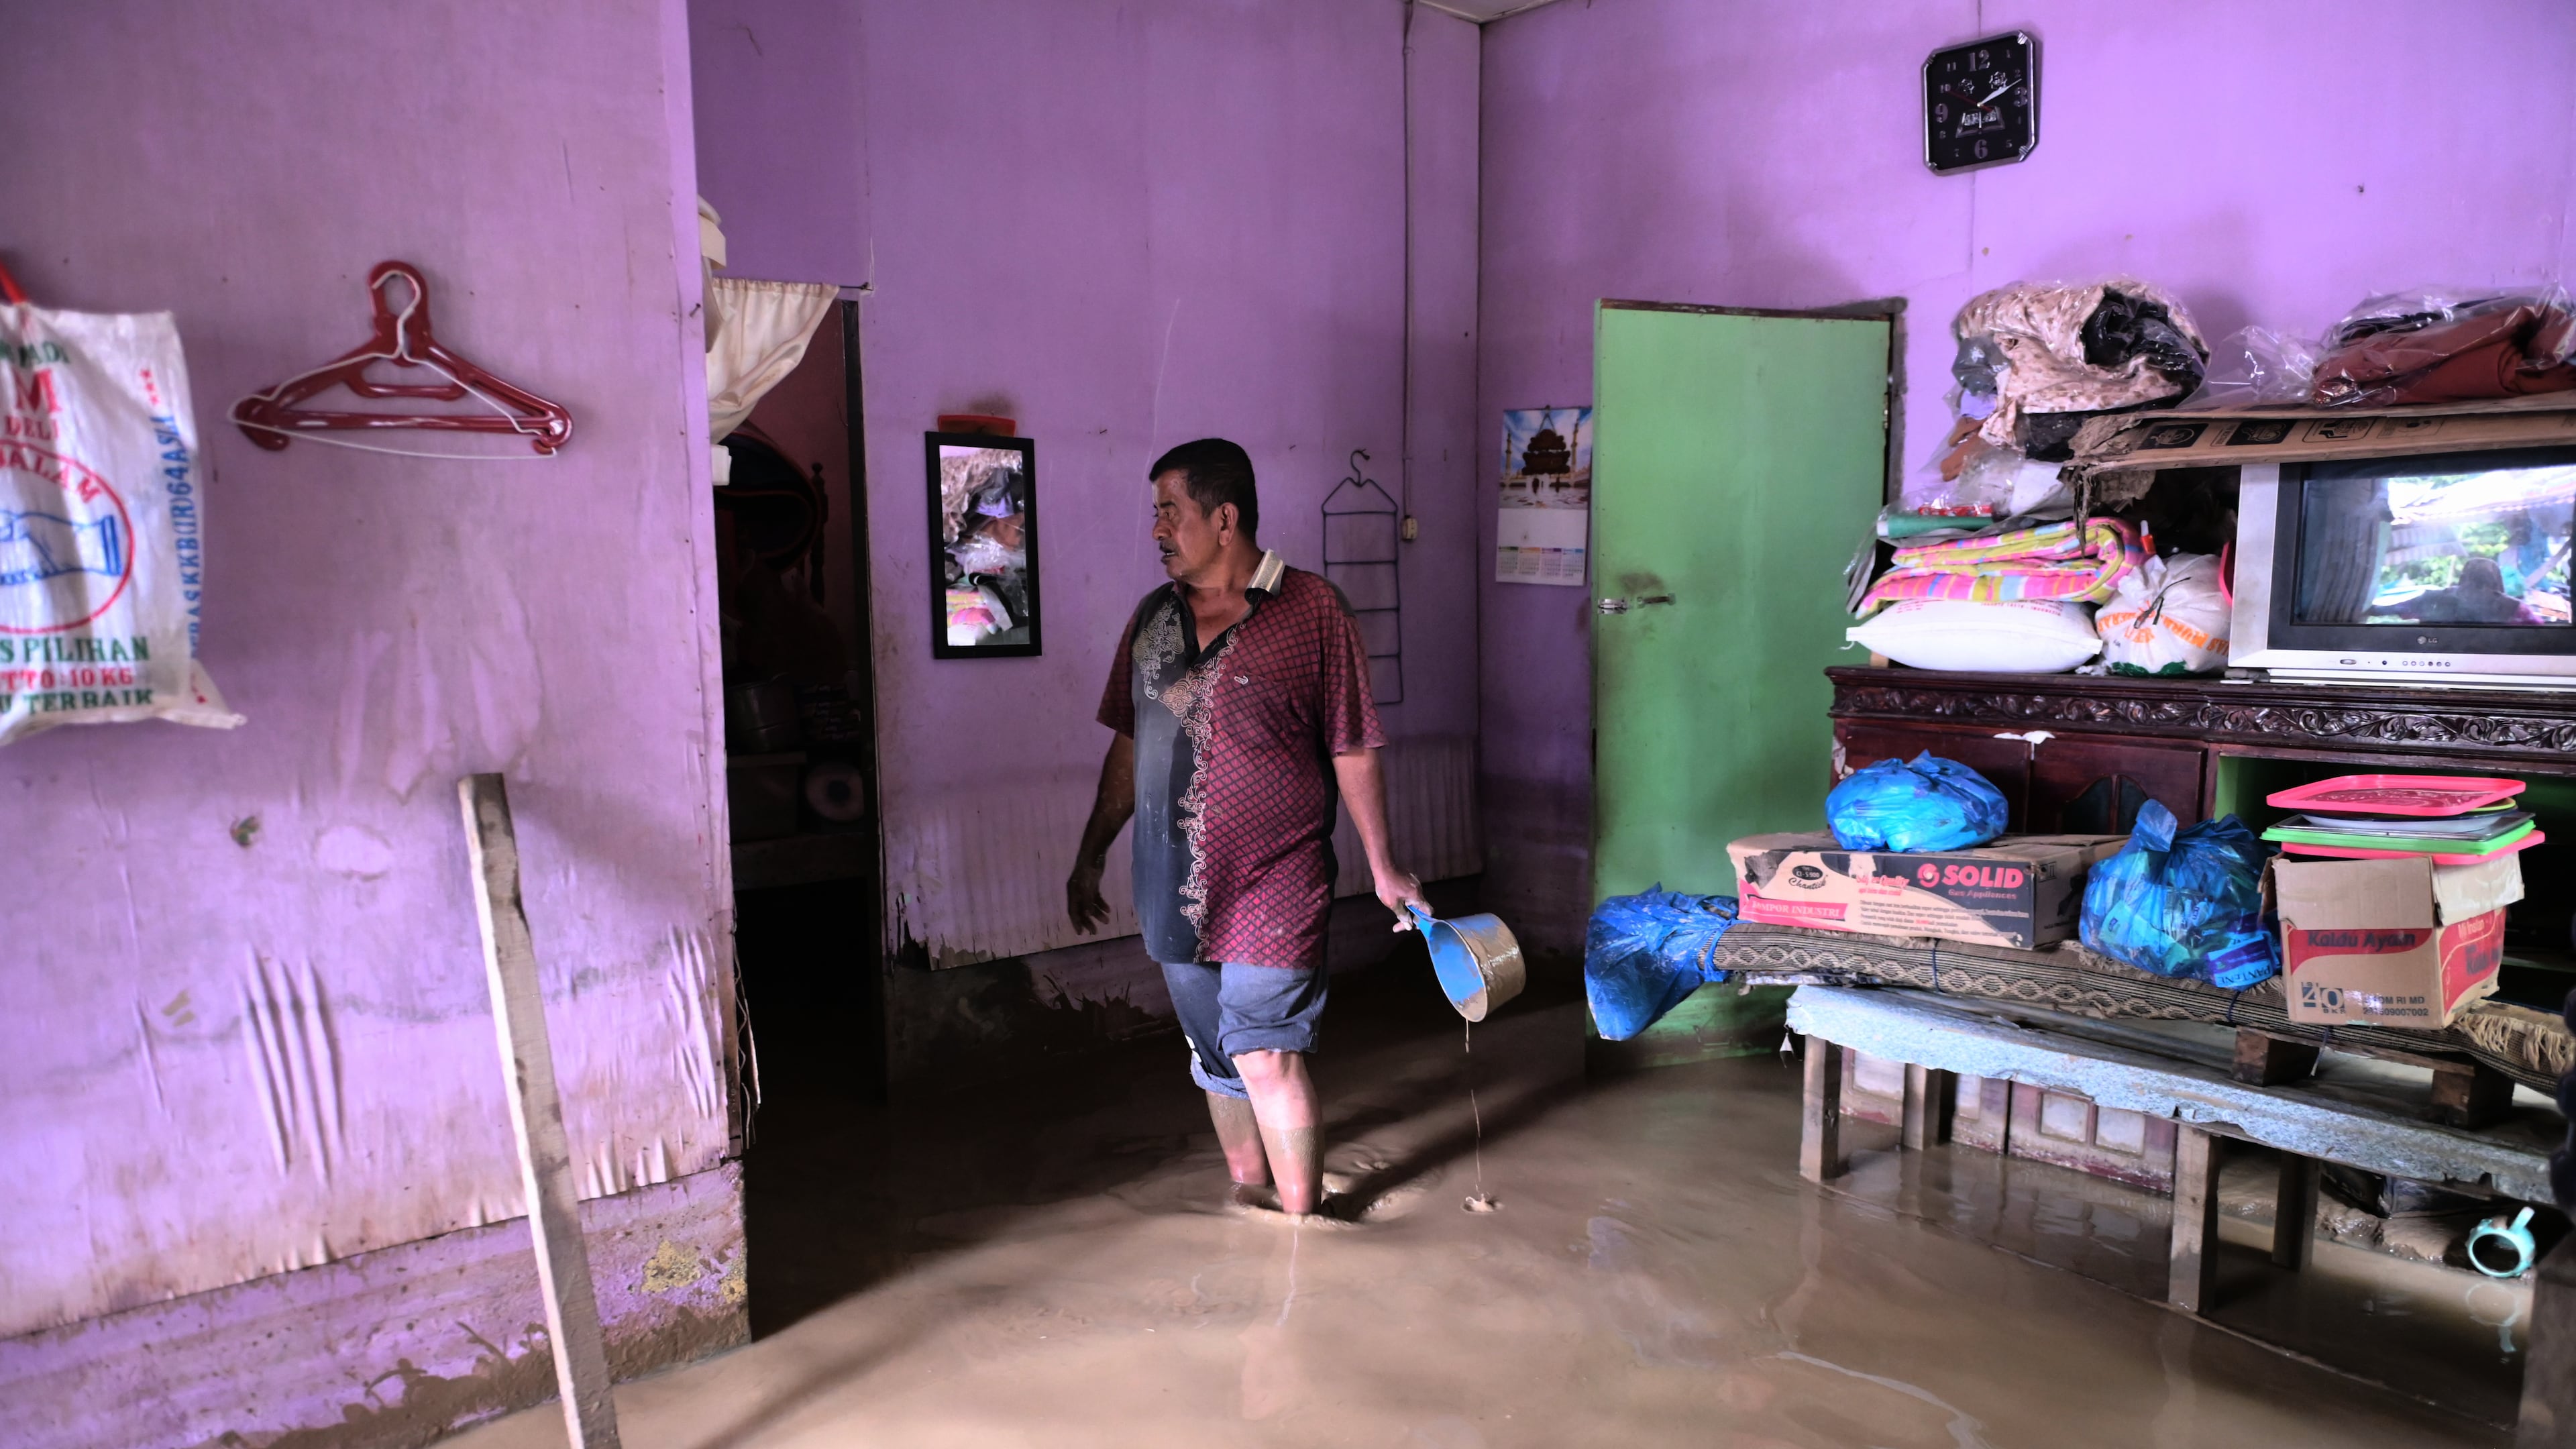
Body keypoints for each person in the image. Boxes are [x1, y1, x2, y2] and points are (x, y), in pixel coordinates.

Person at [1067, 437, 1426, 1217]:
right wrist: (1090, 854)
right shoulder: (1152, 619)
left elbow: (1351, 745)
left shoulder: (1312, 610)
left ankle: (1303, 1225)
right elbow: (1129, 746)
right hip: (1172, 881)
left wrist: (1385, 867)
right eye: (1155, 512)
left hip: (1277, 876)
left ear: (1224, 518)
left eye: (1172, 511)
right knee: (1214, 1057)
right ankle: (1249, 1203)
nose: (1158, 529)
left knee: (1265, 1051)